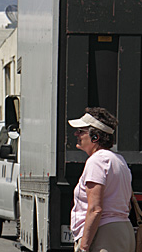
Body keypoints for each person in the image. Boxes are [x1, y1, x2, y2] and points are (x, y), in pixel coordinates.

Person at [69, 107, 135, 252]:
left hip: (104, 235)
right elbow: (127, 205)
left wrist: (84, 247)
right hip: (124, 232)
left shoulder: (97, 161)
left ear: (95, 137)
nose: (76, 134)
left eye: (81, 131)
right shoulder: (119, 160)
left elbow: (95, 209)